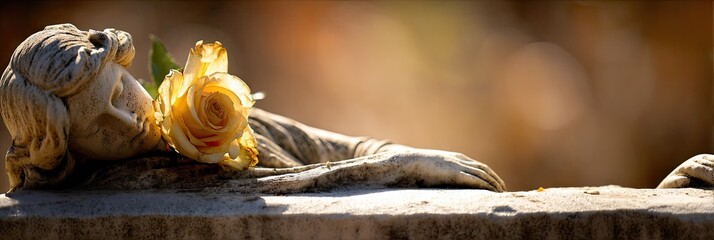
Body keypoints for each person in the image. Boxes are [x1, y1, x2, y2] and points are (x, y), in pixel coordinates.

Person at [1, 24, 506, 193]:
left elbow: (334, 149)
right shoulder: (124, 195)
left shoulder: (218, 119)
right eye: (96, 128)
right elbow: (301, 192)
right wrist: (392, 170)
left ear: (129, 70)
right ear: (68, 151)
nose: (127, 120)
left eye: (119, 94)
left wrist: (399, 156)